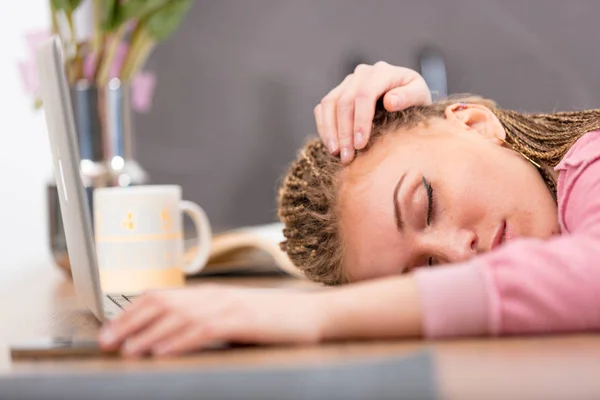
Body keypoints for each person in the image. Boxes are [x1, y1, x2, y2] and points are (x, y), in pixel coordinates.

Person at [98, 62, 600, 358]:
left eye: (427, 203)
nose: (458, 253)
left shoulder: (588, 160)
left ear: (474, 123)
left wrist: (313, 316)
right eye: (424, 272)